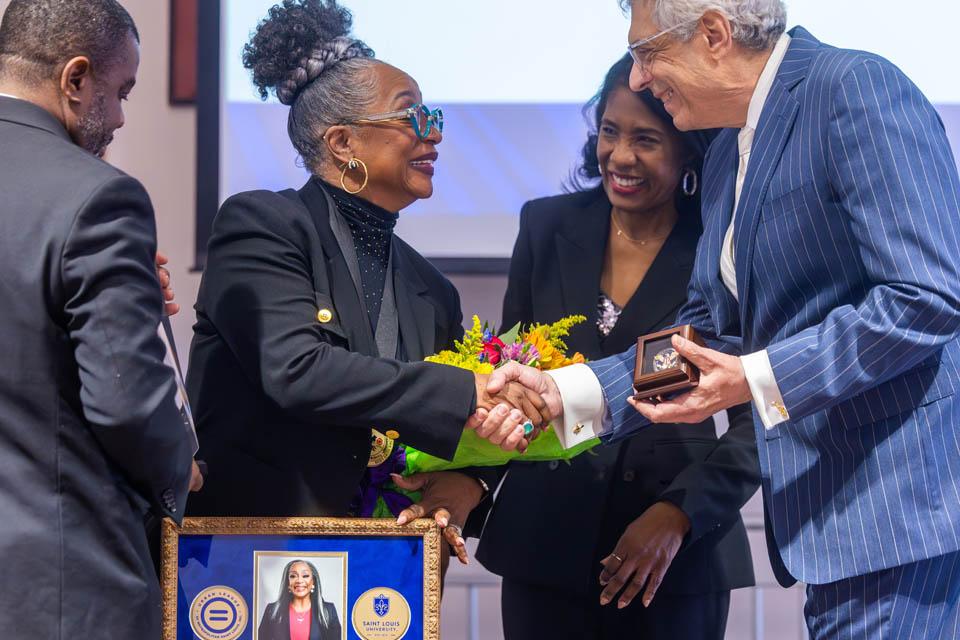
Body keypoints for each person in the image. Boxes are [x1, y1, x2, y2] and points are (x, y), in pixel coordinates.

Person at [485, 0, 960, 636]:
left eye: (647, 53)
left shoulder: (854, 89)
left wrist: (754, 379)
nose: (637, 79)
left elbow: (926, 296)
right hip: (837, 527)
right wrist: (575, 390)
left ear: (714, 33)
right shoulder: (730, 148)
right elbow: (708, 331)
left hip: (900, 516)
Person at [185, 0, 544, 562]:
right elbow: (296, 371)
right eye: (414, 119)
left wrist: (469, 482)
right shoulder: (261, 225)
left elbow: (444, 430)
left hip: (384, 571)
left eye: (436, 118)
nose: (435, 136)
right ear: (342, 143)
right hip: (255, 556)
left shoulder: (433, 289)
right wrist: (467, 388)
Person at [475, 55, 759, 640]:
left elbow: (760, 414)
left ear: (690, 151)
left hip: (673, 558)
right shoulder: (544, 226)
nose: (620, 156)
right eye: (610, 131)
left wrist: (679, 514)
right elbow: (510, 373)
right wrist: (472, 480)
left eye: (646, 139)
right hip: (542, 542)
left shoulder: (724, 249)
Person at [0, 0, 197, 637]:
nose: (117, 118)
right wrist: (179, 468)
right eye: (121, 92)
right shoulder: (96, 196)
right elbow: (126, 403)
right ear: (76, 78)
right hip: (56, 588)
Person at [258, 560, 341, 640]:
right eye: (293, 576)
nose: (299, 580)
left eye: (305, 576)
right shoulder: (272, 611)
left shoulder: (329, 611)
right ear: (288, 583)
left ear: (313, 582)